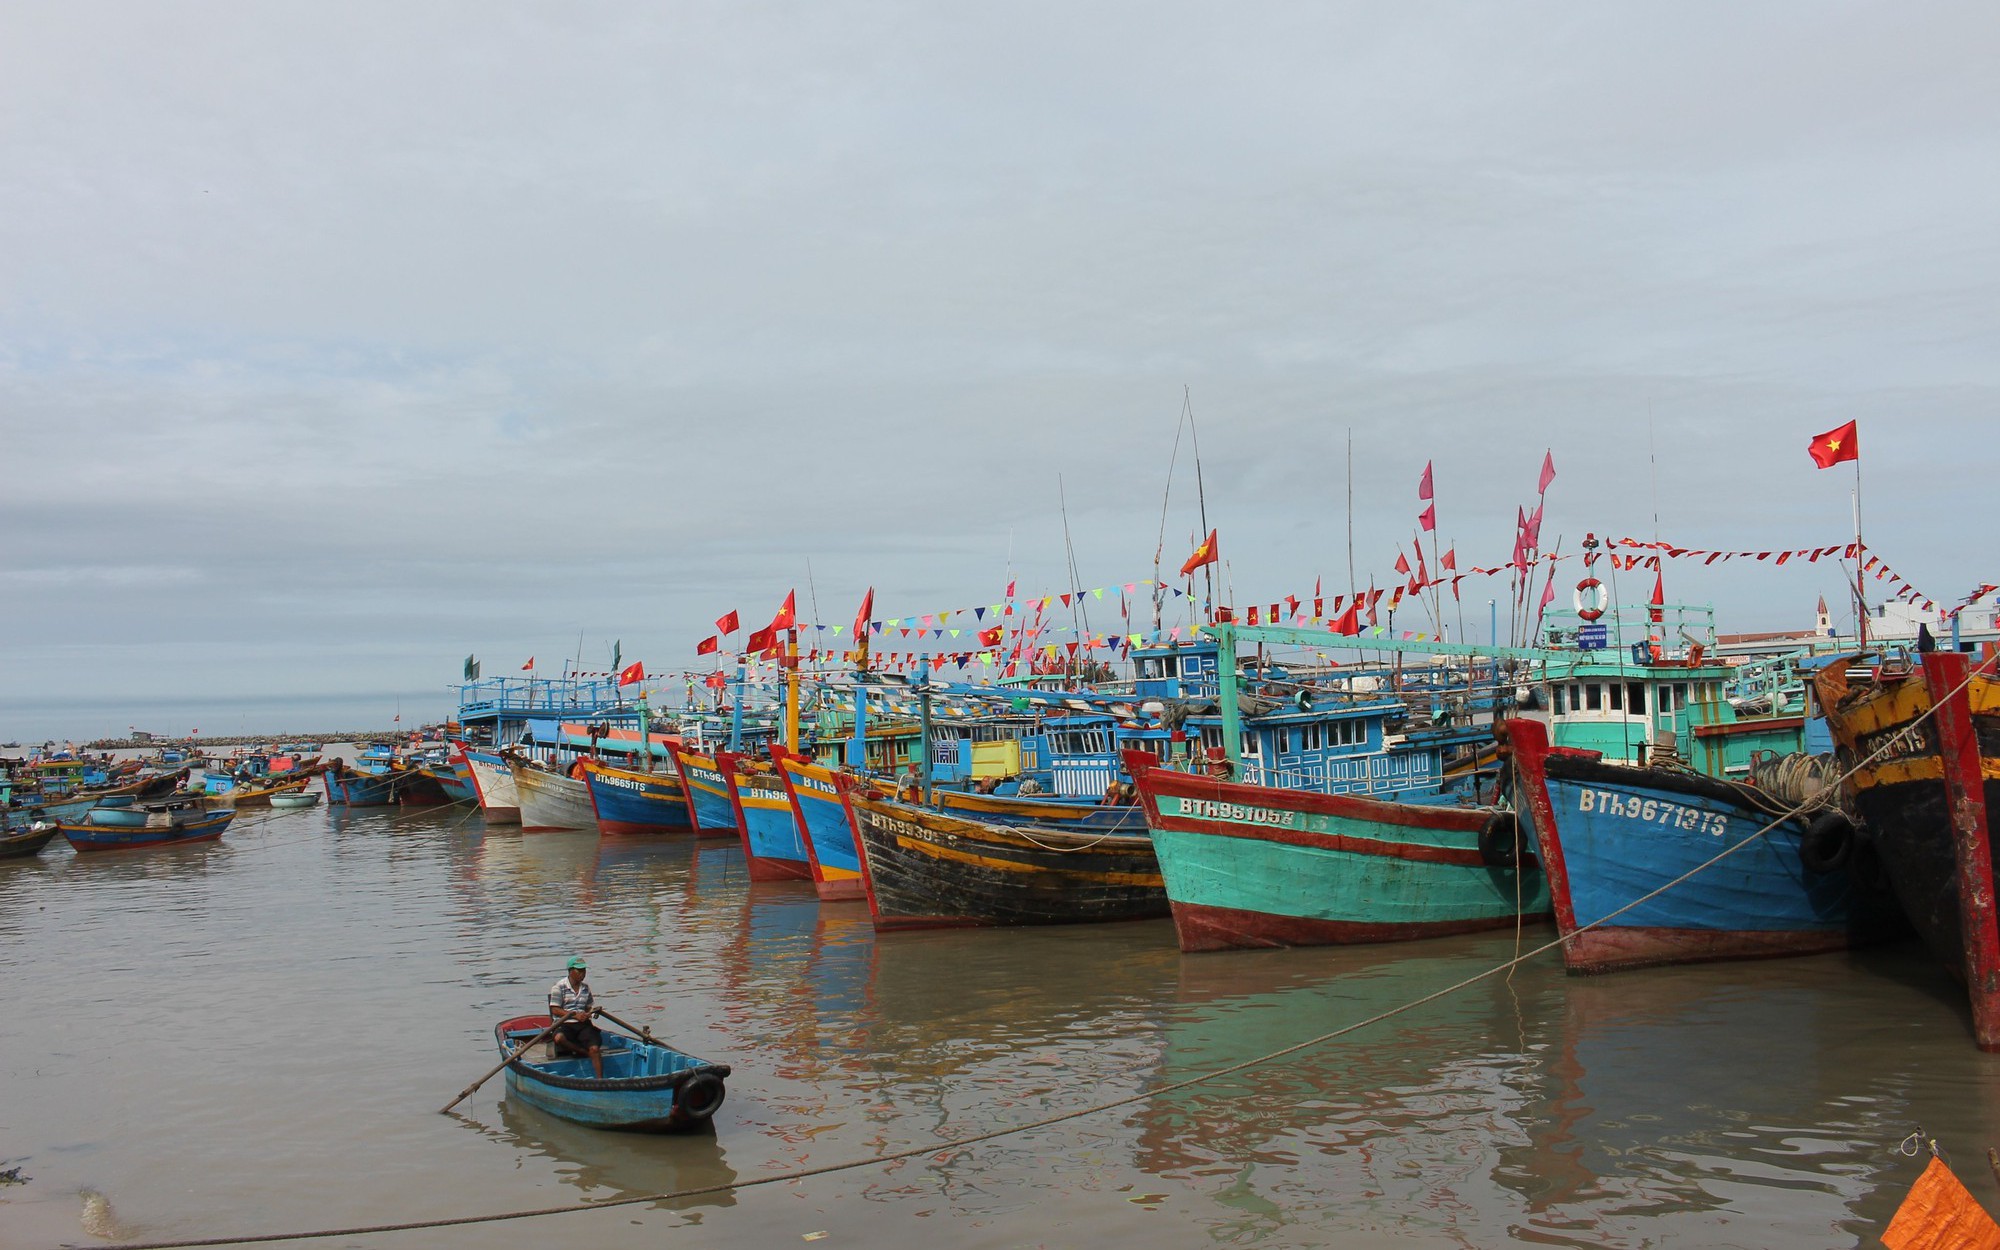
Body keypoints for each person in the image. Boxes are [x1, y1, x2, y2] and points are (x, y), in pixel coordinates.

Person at [547, 956, 604, 1078]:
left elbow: (589, 1008)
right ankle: (582, 1052)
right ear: (570, 971)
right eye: (579, 971)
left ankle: (600, 1081)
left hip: (583, 1025)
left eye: (584, 970)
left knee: (594, 1048)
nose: (582, 974)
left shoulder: (585, 988)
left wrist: (592, 1013)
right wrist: (574, 1015)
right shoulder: (559, 987)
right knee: (559, 1038)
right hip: (565, 1024)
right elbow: (555, 1010)